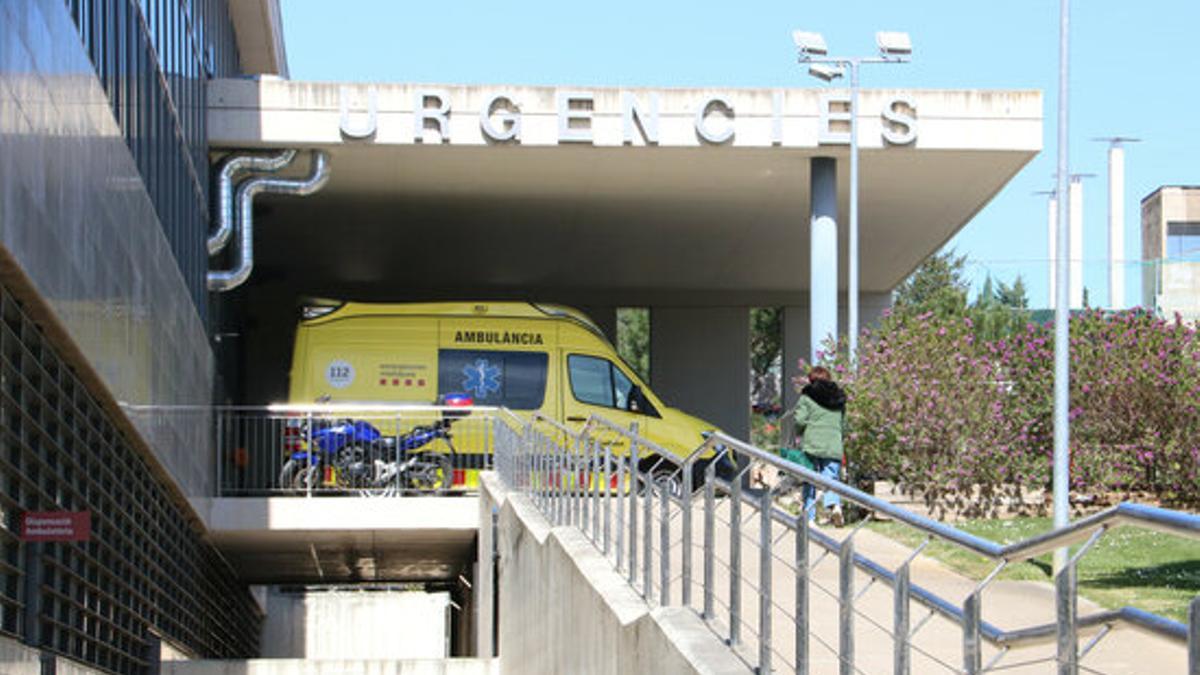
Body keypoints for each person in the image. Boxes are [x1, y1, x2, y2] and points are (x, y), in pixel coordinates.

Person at [792, 366, 847, 526]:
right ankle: (834, 505)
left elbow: (800, 421)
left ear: (811, 380)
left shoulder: (807, 396)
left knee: (809, 479)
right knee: (831, 477)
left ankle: (809, 518)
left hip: (812, 443)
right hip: (833, 443)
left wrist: (799, 431)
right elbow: (843, 425)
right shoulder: (839, 398)